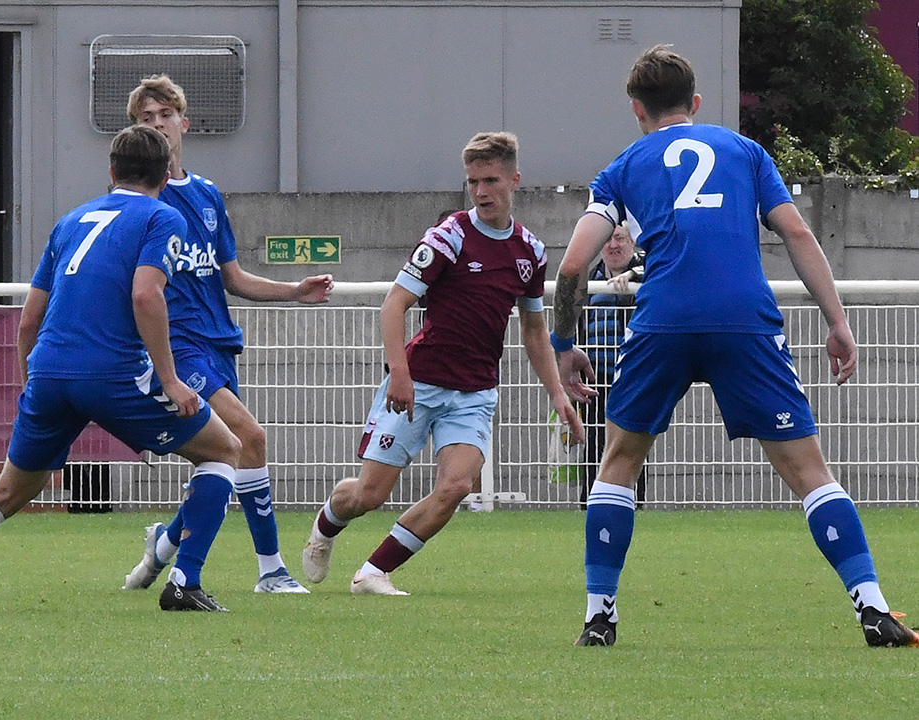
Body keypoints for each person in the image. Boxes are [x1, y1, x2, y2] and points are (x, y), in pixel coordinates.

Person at [551, 44, 918, 647]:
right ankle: (873, 609)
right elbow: (795, 230)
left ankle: (599, 618)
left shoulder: (622, 166)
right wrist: (837, 320)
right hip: (743, 319)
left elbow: (571, 266)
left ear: (637, 110)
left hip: (662, 318)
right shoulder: (745, 152)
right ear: (695, 104)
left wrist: (565, 342)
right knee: (808, 471)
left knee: (617, 464)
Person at [0, 125, 241, 613]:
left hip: (47, 369)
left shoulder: (71, 220)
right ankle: (184, 581)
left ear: (110, 172)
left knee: (7, 492)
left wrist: (34, 386)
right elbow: (146, 294)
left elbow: (29, 319)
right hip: (113, 373)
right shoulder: (163, 217)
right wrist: (169, 379)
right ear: (166, 173)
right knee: (224, 450)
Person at [302, 131, 582, 595]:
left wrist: (557, 393)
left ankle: (373, 572)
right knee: (369, 496)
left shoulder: (530, 251)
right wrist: (401, 374)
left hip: (474, 391)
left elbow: (533, 330)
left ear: (515, 180)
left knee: (458, 486)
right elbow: (394, 306)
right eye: (473, 181)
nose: (481, 191)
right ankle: (326, 526)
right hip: (420, 381)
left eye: (490, 180)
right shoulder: (447, 237)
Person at [121, 75, 333, 595]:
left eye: (163, 116)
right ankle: (271, 570)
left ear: (183, 124)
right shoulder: (138, 202)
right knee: (249, 439)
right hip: (180, 347)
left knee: (219, 458)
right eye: (145, 119)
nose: (156, 125)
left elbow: (232, 278)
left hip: (219, 346)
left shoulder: (208, 196)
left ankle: (164, 544)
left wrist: (293, 290)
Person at [577, 222, 646, 507]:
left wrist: (631, 275)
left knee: (632, 445)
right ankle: (588, 504)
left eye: (620, 238)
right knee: (592, 444)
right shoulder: (591, 276)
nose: (613, 245)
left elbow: (660, 267)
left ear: (632, 242)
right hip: (595, 378)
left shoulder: (645, 270)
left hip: (631, 377)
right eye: (607, 238)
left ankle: (633, 503)